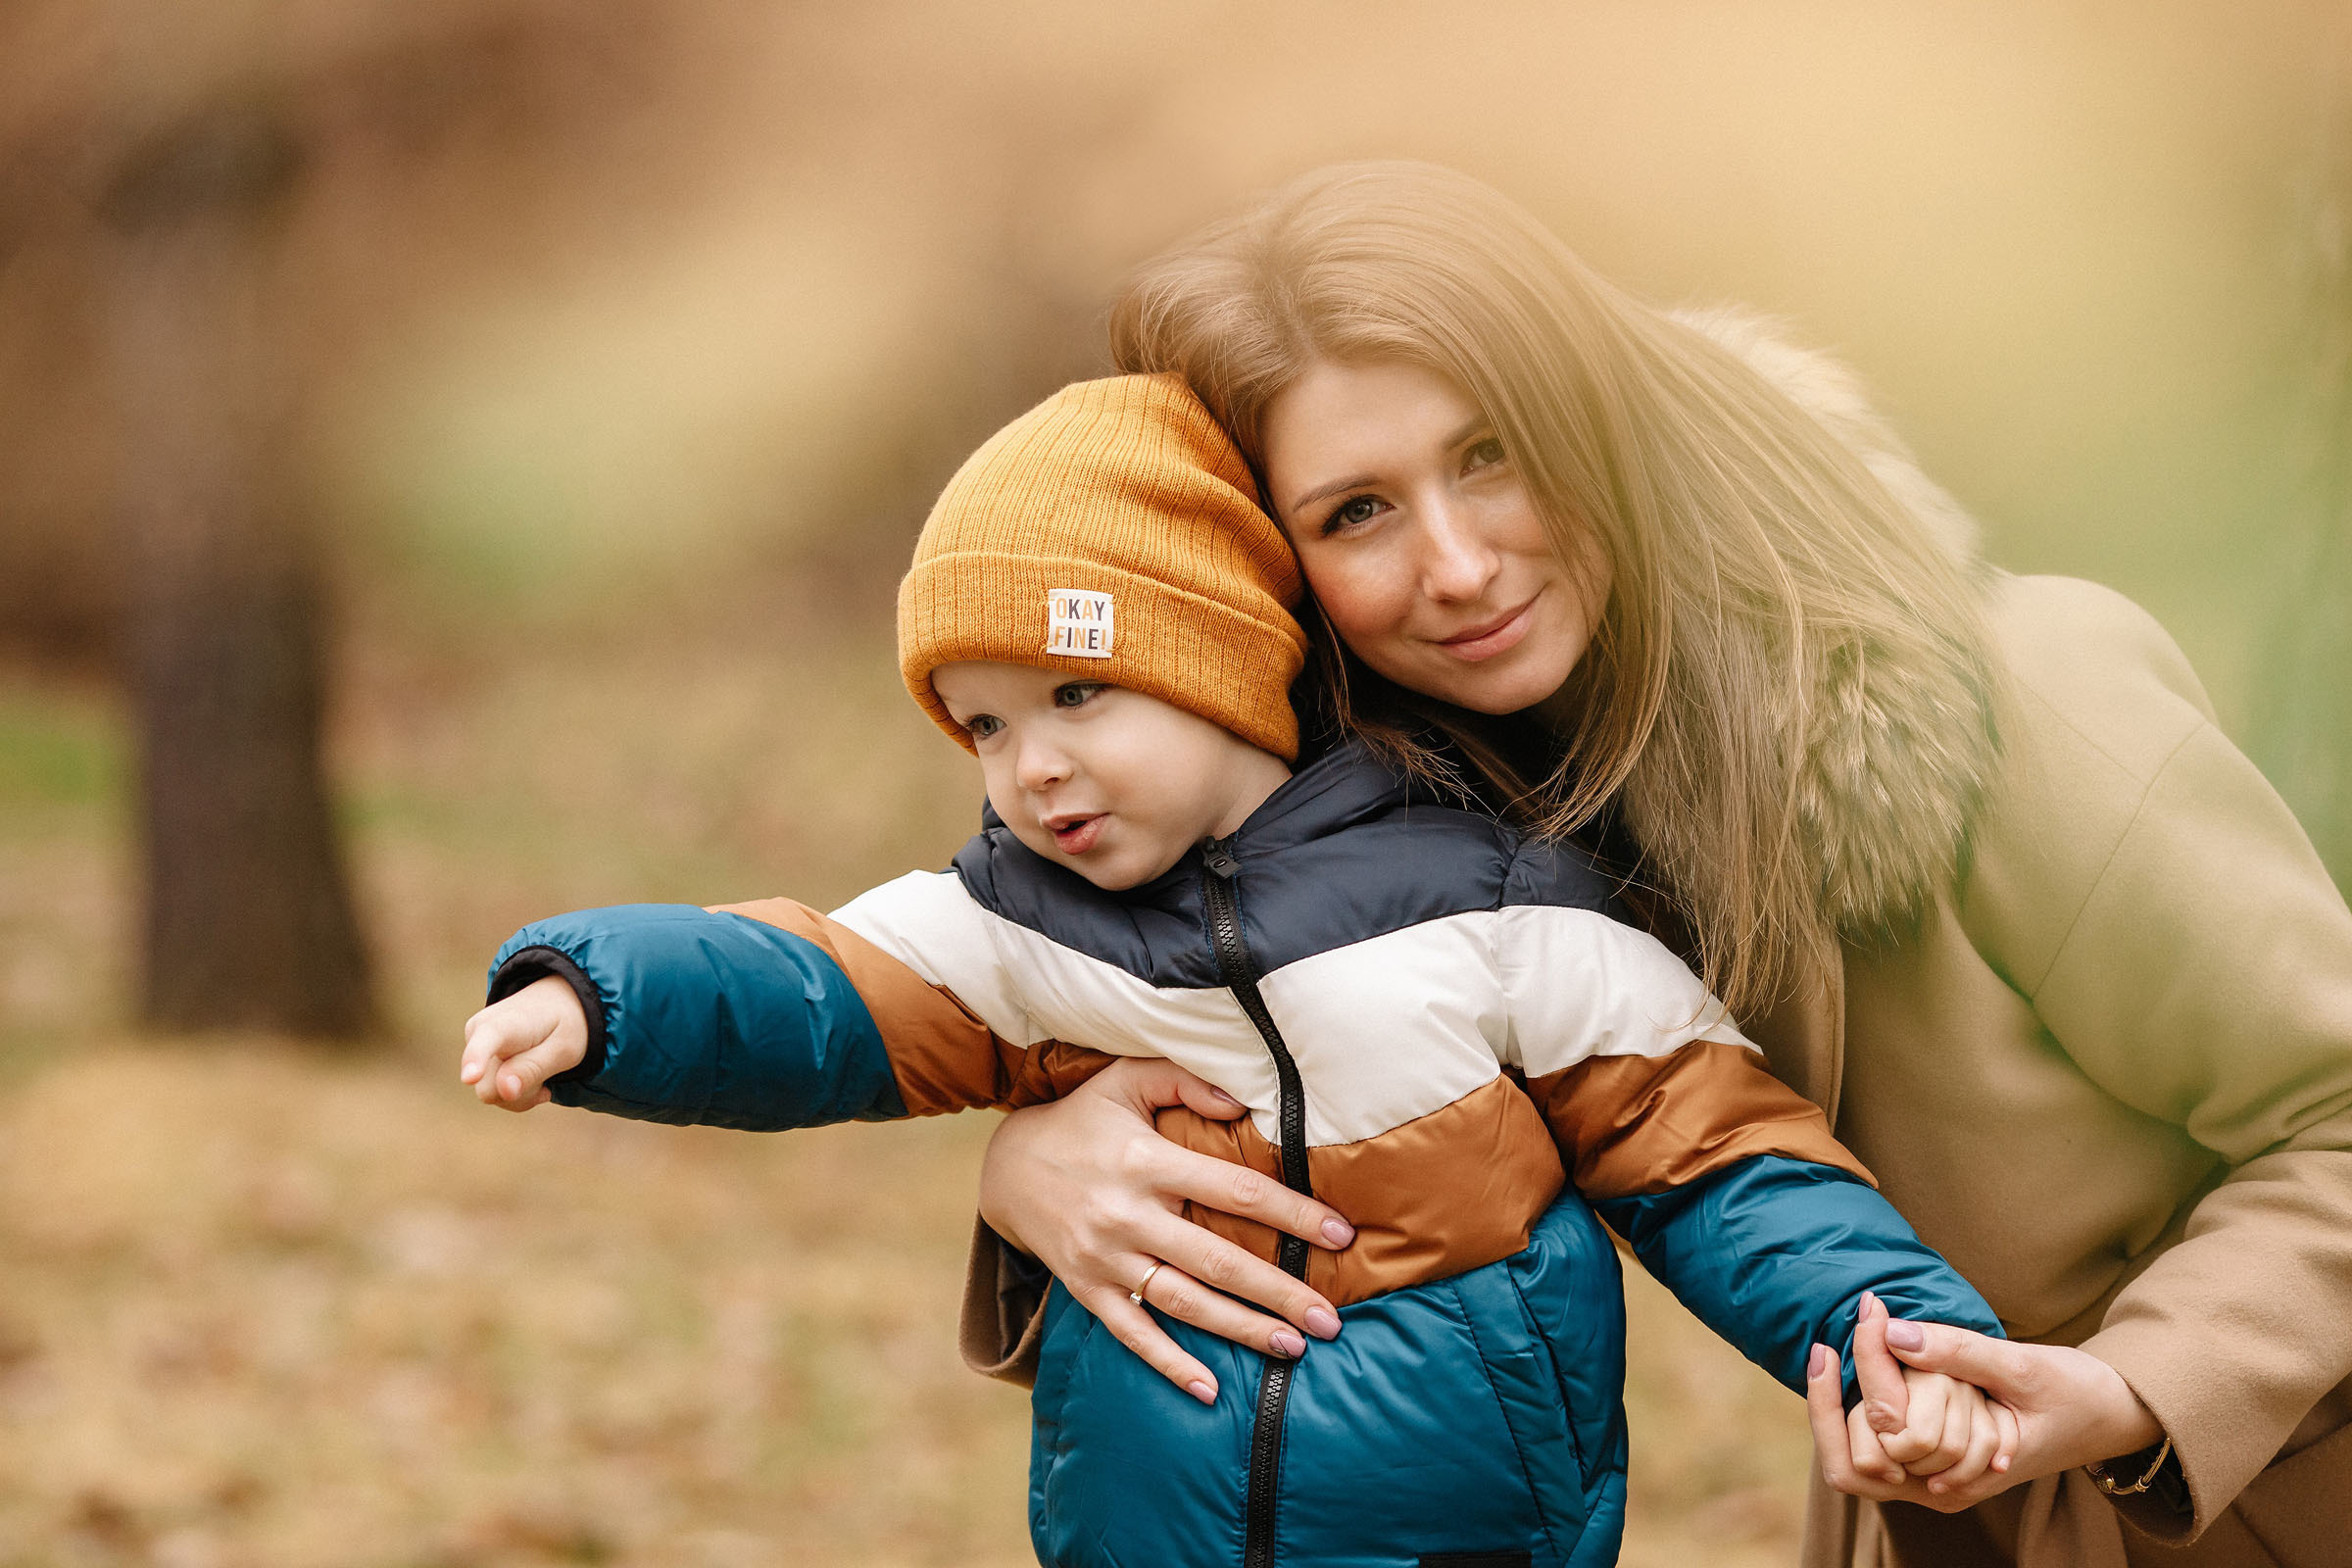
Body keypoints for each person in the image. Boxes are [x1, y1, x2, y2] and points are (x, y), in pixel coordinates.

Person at [963, 163, 2352, 1568]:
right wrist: (1043, 1165)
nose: (1456, 564)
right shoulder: (1437, 854)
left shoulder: (2028, 706)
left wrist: (2134, 1391)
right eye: (1356, 514)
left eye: (1492, 452)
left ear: (1599, 421)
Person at [459, 373, 2015, 1568]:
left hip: (1459, 1531)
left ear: (1228, 663)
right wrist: (593, 999)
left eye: (1080, 693)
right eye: (985, 724)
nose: (1032, 770)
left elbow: (1725, 1163)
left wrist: (1896, 1341)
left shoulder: (1493, 908)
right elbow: (804, 991)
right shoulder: (1016, 924)